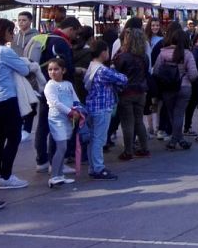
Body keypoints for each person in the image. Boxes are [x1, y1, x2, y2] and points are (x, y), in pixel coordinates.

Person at [34, 16, 80, 174]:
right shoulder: (60, 42)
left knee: (43, 125)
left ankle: (41, 161)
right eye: (76, 33)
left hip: (43, 86)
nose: (76, 37)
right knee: (56, 125)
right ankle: (56, 163)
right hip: (58, 89)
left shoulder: (45, 38)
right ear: (71, 29)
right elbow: (65, 66)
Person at [0, 18, 31, 193]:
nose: (13, 34)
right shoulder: (4, 52)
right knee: (14, 136)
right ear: (4, 32)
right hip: (7, 97)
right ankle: (6, 176)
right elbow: (25, 70)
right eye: (11, 30)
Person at [84, 40, 127, 180]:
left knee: (93, 139)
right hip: (102, 108)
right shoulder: (103, 70)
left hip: (91, 107)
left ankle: (93, 167)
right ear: (103, 53)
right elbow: (122, 79)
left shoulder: (92, 66)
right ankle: (98, 168)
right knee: (99, 139)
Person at [154, 28, 198, 149]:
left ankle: (176, 140)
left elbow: (156, 71)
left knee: (172, 114)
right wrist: (187, 78)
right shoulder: (188, 54)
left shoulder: (163, 53)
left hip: (168, 88)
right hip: (184, 87)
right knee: (179, 114)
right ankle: (178, 140)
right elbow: (194, 74)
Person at [113, 29, 150, 160]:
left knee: (127, 123)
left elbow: (116, 71)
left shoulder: (123, 56)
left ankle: (128, 151)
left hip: (126, 92)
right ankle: (144, 148)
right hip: (140, 92)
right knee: (139, 121)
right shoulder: (144, 57)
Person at [43, 58, 79, 187]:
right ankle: (53, 176)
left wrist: (77, 110)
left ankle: (59, 175)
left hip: (69, 120)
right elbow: (55, 103)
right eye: (50, 69)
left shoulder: (68, 84)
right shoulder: (50, 85)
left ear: (63, 70)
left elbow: (75, 99)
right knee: (61, 146)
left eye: (56, 69)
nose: (53, 72)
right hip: (57, 119)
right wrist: (70, 112)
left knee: (64, 147)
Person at [13, 11, 38, 141]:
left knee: (31, 99)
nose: (21, 22)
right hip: (17, 72)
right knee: (19, 100)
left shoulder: (36, 36)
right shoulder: (15, 37)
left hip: (31, 73)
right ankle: (21, 126)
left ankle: (27, 128)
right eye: (19, 20)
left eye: (24, 20)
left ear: (30, 21)